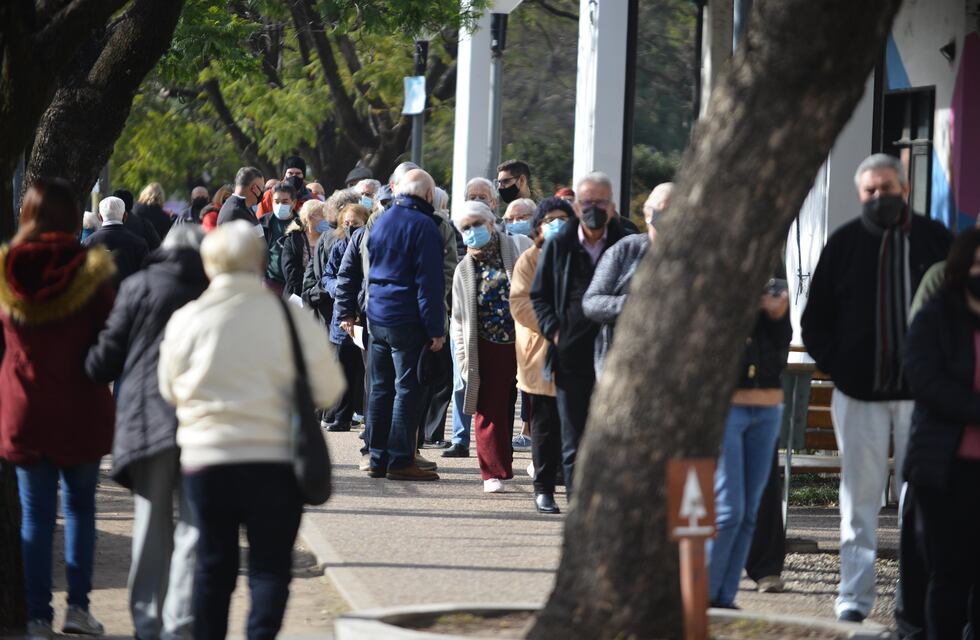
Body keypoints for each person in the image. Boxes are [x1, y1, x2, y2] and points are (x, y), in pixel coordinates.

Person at [157, 220, 344, 639]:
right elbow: (330, 389)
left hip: (207, 460)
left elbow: (169, 388)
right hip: (274, 460)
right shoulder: (288, 317)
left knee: (212, 564)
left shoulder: (188, 318)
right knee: (269, 567)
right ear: (260, 261)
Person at [801, 153, 953, 623]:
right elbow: (814, 321)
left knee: (923, 502)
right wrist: (841, 369)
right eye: (870, 190)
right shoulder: (842, 245)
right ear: (859, 194)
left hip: (922, 398)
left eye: (888, 187)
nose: (880, 197)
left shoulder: (935, 240)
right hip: (859, 396)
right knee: (859, 500)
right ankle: (854, 597)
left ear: (905, 189)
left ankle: (914, 600)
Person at [0, 177, 116, 638]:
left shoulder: (8, 271)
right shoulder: (91, 271)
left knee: (35, 517)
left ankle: (37, 616)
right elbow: (112, 337)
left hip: (25, 408)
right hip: (80, 406)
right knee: (82, 510)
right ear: (72, 217)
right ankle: (79, 608)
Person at [84, 225, 208, 640]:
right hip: (200, 421)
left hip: (146, 419)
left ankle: (147, 621)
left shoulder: (138, 285)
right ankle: (181, 622)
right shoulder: (211, 291)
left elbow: (106, 358)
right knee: (194, 527)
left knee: (151, 523)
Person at [530, 171, 629, 498]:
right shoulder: (559, 244)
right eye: (587, 202)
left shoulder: (628, 243)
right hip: (571, 355)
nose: (594, 208)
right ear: (576, 207)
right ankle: (579, 512)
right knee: (573, 439)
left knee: (611, 439)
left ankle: (609, 507)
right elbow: (539, 296)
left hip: (618, 356)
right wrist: (555, 332)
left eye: (600, 202)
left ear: (612, 207)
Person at [903, 228, 980, 639]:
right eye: (977, 264)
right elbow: (923, 379)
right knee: (948, 576)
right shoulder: (936, 316)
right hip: (946, 470)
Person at [708, 275, 792, 609]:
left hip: (766, 407)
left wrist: (776, 315)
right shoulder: (709, 283)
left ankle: (724, 599)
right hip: (726, 409)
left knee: (749, 514)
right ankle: (706, 597)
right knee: (729, 510)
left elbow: (780, 347)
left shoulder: (764, 279)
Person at [362, 169, 445, 481]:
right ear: (426, 195)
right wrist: (435, 329)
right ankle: (400, 460)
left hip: (378, 315)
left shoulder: (382, 220)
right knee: (407, 390)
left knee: (380, 389)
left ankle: (376, 456)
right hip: (407, 318)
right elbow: (430, 284)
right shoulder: (424, 226)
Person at [449, 201, 521, 492]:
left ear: (491, 224)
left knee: (509, 404)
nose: (472, 232)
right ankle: (491, 471)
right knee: (488, 408)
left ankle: (506, 461)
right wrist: (464, 361)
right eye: (465, 228)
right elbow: (459, 319)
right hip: (484, 347)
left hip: (518, 344)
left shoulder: (515, 249)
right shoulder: (464, 269)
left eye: (476, 225)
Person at [511, 197, 575, 513]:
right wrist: (555, 328)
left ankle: (574, 487)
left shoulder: (581, 256)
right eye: (551, 219)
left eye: (563, 218)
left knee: (576, 423)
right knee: (545, 424)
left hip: (578, 351)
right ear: (539, 225)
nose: (557, 224)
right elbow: (521, 303)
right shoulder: (529, 259)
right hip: (541, 352)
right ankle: (543, 488)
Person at [582, 183, 669, 376]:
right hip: (623, 368)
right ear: (648, 214)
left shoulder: (697, 257)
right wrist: (635, 304)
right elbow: (592, 302)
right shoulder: (626, 250)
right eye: (663, 209)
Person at [322, 203, 370, 432]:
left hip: (364, 314)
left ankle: (366, 417)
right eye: (347, 224)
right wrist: (338, 288)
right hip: (342, 317)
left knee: (365, 371)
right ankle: (341, 417)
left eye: (356, 224)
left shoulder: (368, 245)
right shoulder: (339, 246)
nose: (351, 228)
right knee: (342, 368)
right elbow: (328, 276)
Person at [82, 196, 150, 284]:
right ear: (125, 216)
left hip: (99, 296)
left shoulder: (88, 243)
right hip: (129, 295)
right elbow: (146, 276)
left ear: (100, 217)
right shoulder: (139, 244)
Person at [281, 198, 327, 300]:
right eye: (322, 215)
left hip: (322, 295)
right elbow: (289, 271)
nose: (326, 219)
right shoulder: (292, 240)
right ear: (309, 218)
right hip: (297, 295)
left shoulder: (328, 238)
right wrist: (310, 285)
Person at [261, 182, 298, 295]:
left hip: (295, 285)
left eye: (285, 201)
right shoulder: (264, 223)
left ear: (294, 203)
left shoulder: (301, 224)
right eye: (276, 201)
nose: (280, 205)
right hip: (270, 283)